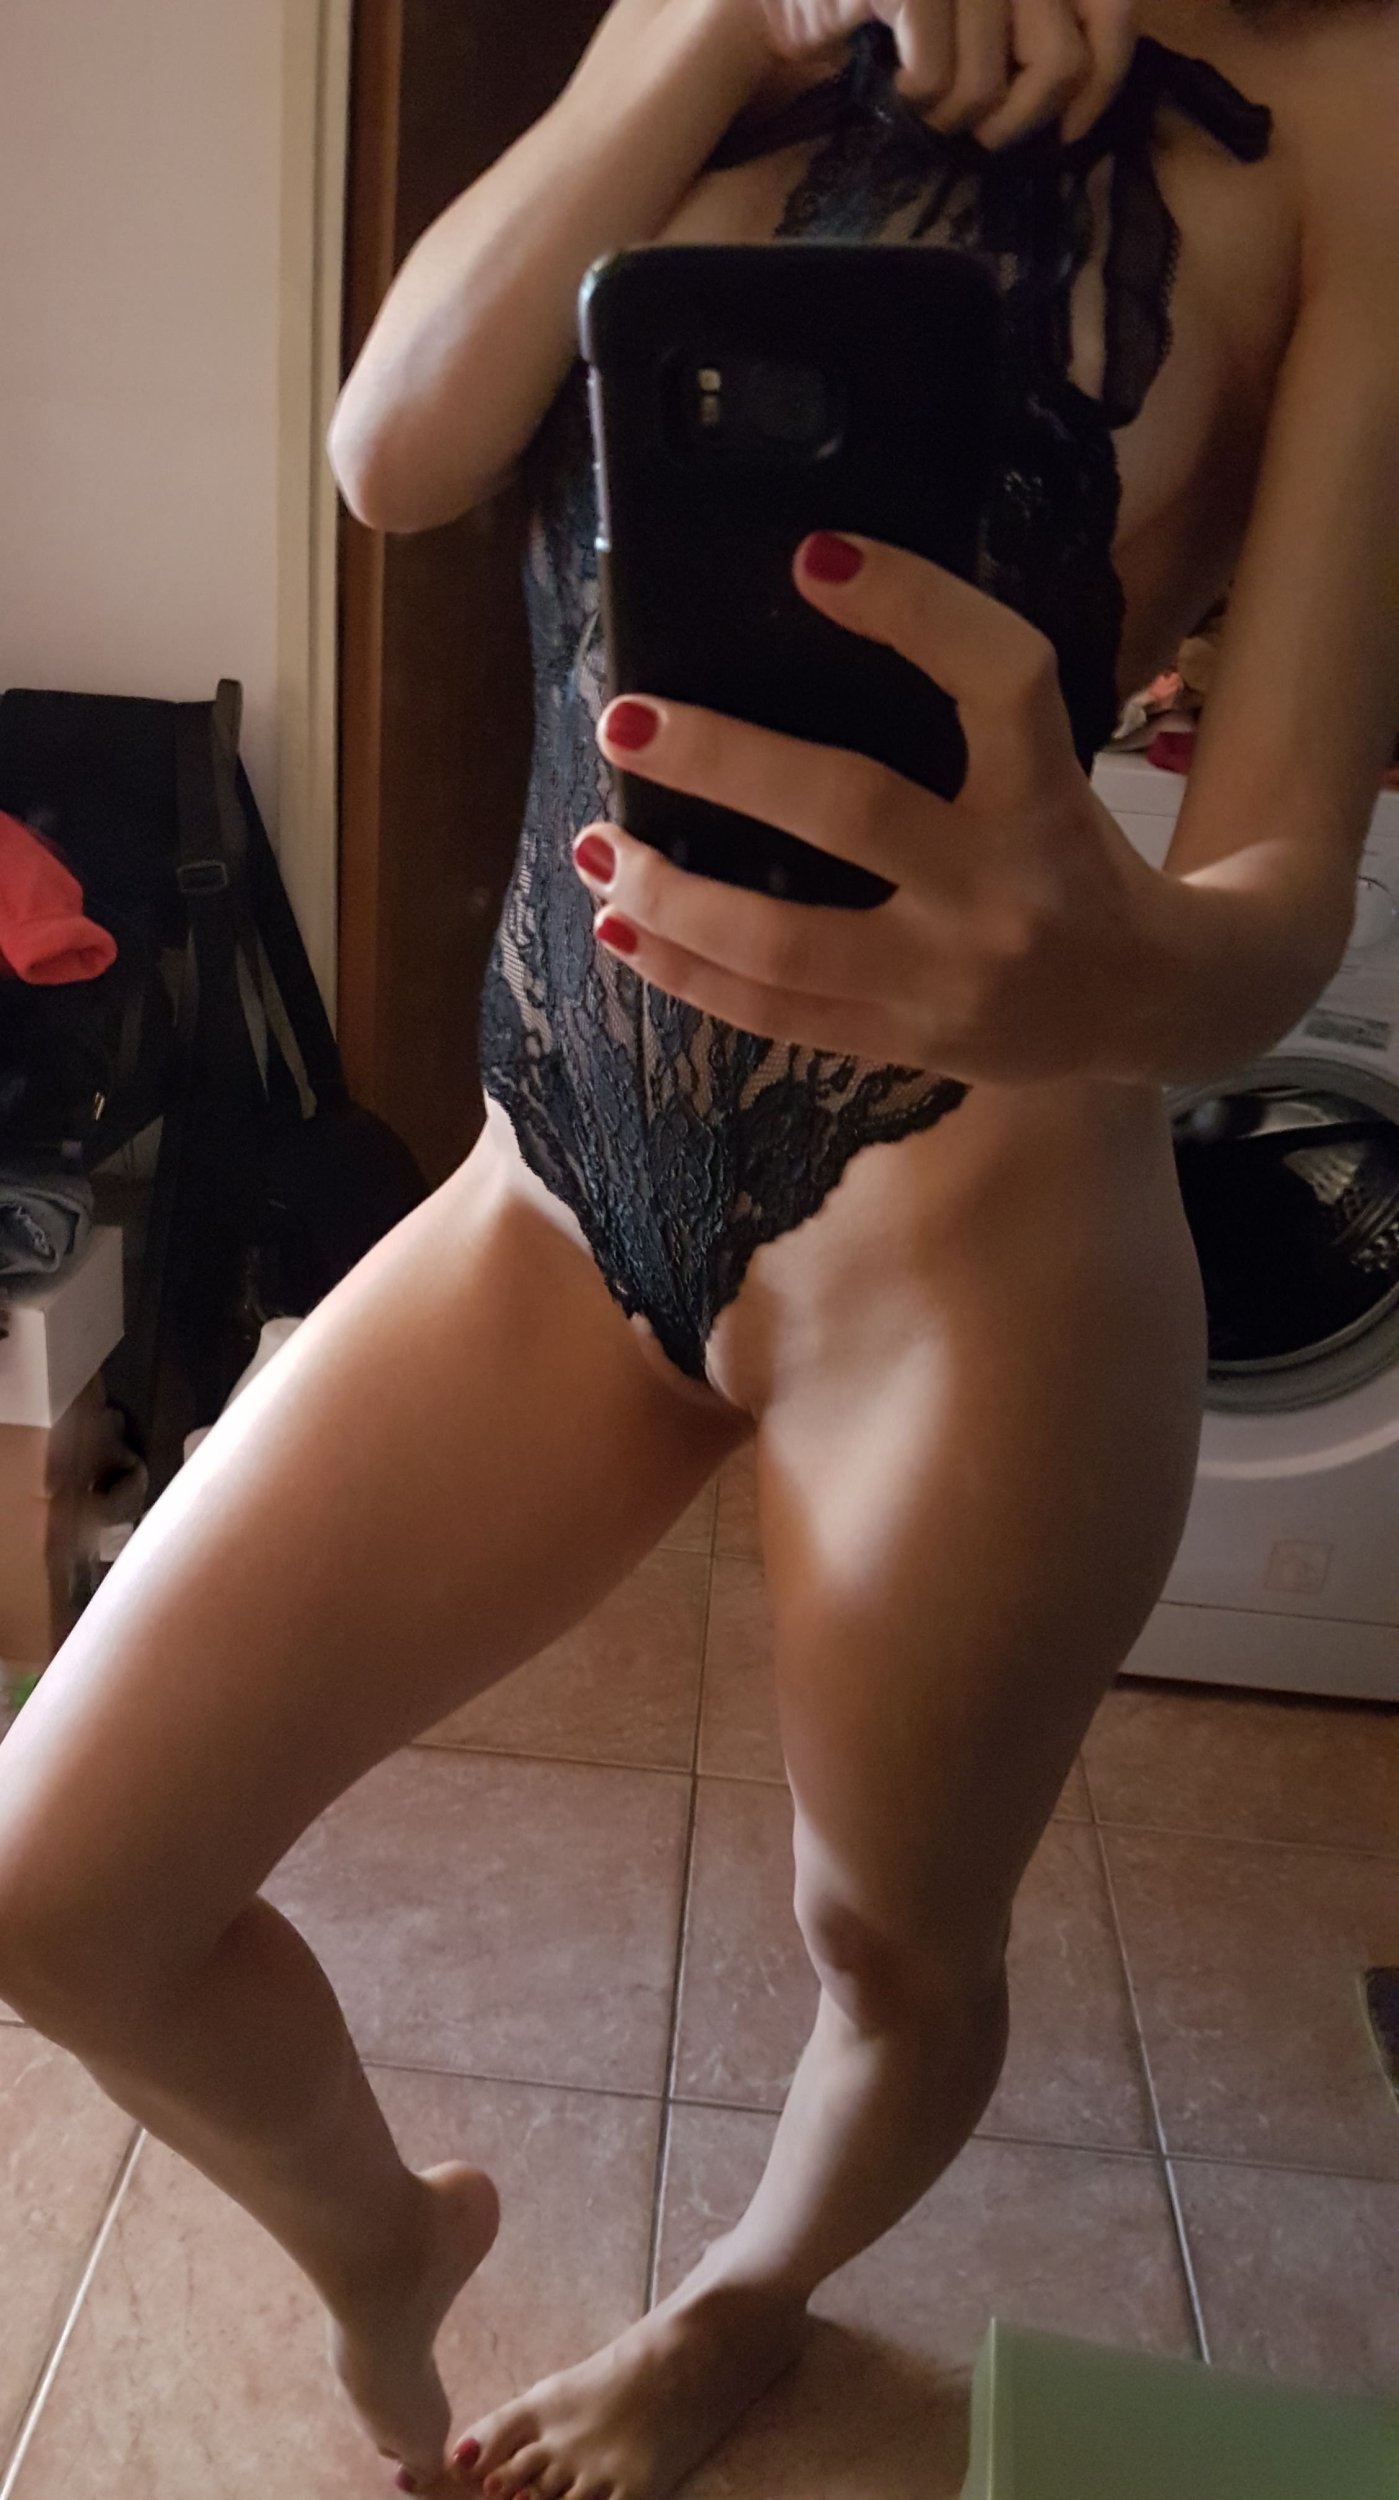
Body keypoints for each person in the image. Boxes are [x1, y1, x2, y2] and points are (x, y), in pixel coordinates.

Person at [1, 1, 1396, 2495]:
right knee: (57, 1886)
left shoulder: (1365, 109)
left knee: (895, 1948)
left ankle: (738, 2308)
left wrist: (1121, 966)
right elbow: (394, 450)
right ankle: (383, 2237)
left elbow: (1277, 891)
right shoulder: (736, 10)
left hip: (971, 1262)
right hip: (554, 1187)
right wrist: (705, 25)